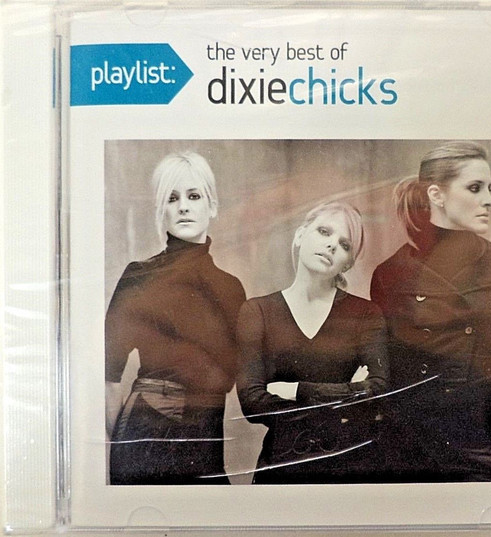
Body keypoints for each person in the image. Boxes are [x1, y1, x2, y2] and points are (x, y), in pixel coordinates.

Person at [370, 141, 491, 482]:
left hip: (477, 444)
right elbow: (381, 371)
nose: (488, 200)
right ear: (436, 195)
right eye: (475, 188)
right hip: (404, 447)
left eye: (490, 188)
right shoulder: (391, 273)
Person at [105, 151, 246, 485]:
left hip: (206, 448)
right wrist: (124, 448)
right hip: (143, 445)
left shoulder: (231, 289)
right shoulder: (139, 275)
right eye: (172, 198)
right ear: (162, 211)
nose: (183, 207)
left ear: (212, 206)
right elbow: (108, 377)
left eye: (193, 196)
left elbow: (235, 381)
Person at [236, 201, 389, 484]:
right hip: (281, 469)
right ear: (300, 235)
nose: (331, 245)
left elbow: (378, 391)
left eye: (344, 244)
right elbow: (252, 402)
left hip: (348, 471)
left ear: (349, 262)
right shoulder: (257, 311)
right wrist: (345, 396)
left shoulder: (366, 315)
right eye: (324, 232)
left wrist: (297, 390)